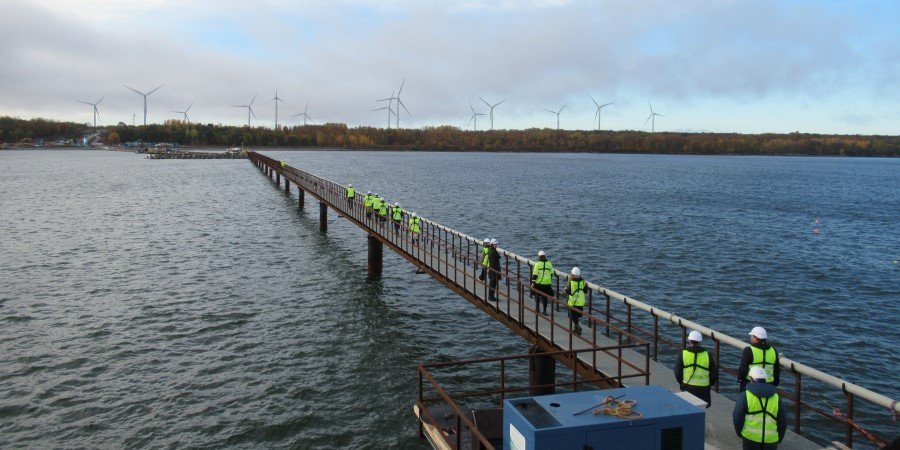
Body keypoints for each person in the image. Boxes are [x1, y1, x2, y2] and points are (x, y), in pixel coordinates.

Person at [733, 366, 787, 449]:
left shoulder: (745, 396)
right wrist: (779, 438)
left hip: (750, 438)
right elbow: (783, 421)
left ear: (751, 379)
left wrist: (739, 433)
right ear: (765, 379)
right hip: (771, 441)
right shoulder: (776, 398)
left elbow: (737, 417)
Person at [675, 330, 719, 407]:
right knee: (701, 412)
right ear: (700, 341)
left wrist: (682, 383)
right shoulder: (708, 354)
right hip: (704, 390)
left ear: (689, 341)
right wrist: (708, 384)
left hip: (687, 387)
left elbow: (677, 373)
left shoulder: (683, 353)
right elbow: (714, 374)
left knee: (687, 410)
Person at [738, 327, 780, 392]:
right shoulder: (773, 351)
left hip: (751, 383)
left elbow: (743, 369)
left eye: (752, 336)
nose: (751, 338)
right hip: (769, 384)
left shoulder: (749, 350)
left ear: (755, 338)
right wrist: (775, 383)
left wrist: (740, 380)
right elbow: (777, 370)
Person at [531, 250, 554, 314]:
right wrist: (549, 279)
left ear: (539, 256)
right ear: (545, 256)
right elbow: (552, 272)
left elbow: (535, 274)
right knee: (544, 297)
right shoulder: (549, 263)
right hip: (547, 283)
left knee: (537, 295)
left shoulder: (537, 264)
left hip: (539, 283)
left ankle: (537, 309)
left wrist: (533, 283)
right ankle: (544, 311)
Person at [564, 267, 586, 335]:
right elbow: (585, 291)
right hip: (580, 302)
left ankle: (577, 326)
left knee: (571, 315)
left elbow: (568, 292)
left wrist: (565, 289)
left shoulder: (571, 282)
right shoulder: (583, 281)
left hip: (573, 302)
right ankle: (576, 328)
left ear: (572, 274)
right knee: (576, 315)